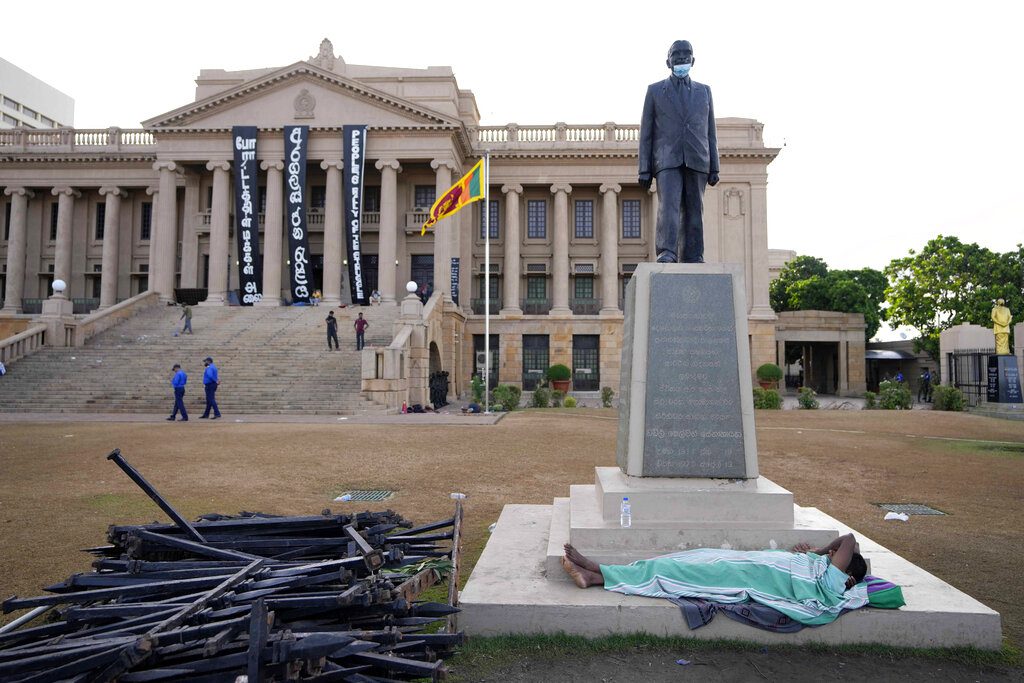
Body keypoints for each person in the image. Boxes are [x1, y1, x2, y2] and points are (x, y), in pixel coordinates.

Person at [562, 533, 868, 626]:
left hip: (742, 577)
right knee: (681, 559)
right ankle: (597, 575)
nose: (830, 558)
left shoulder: (831, 585)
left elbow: (850, 540)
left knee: (677, 573)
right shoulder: (816, 567)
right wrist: (814, 554)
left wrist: (823, 551)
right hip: (743, 563)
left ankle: (596, 571)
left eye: (834, 559)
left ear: (847, 576)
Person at [639, 40, 720, 264]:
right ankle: (667, 251)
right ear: (668, 61)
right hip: (667, 158)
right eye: (677, 54)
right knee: (669, 207)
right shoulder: (655, 91)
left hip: (698, 159)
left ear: (693, 60)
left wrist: (714, 166)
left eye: (687, 54)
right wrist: (644, 168)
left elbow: (710, 131)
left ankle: (694, 254)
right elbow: (646, 132)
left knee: (695, 209)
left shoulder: (704, 92)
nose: (682, 58)